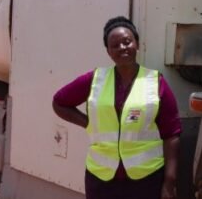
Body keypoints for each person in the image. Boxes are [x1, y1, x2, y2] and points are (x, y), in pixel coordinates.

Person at [53, 16, 181, 199]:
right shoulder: (95, 80)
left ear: (137, 44)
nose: (122, 47)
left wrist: (169, 182)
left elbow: (172, 135)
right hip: (101, 179)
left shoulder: (155, 82)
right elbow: (59, 102)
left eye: (127, 42)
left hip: (146, 179)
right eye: (115, 45)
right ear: (108, 52)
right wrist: (88, 123)